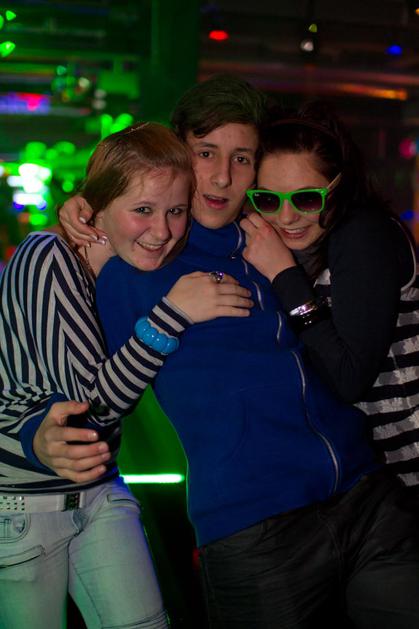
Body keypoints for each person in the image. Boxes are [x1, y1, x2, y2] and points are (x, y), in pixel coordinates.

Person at [58, 75, 419, 629]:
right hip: (256, 529)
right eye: (205, 153)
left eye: (242, 158)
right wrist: (93, 213)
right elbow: (86, 395)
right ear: (178, 153)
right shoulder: (137, 262)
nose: (223, 176)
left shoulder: (270, 235)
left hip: (366, 497)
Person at [0, 121, 253, 629]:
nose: (162, 231)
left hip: (102, 492)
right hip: (22, 506)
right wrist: (172, 315)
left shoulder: (125, 271)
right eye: (143, 210)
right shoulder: (46, 256)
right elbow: (91, 406)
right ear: (95, 210)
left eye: (175, 211)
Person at [241, 100, 419, 489]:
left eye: (306, 198)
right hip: (370, 484)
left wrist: (284, 275)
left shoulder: (362, 234)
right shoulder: (299, 245)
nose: (286, 217)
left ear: (339, 186)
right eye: (269, 199)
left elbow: (349, 379)